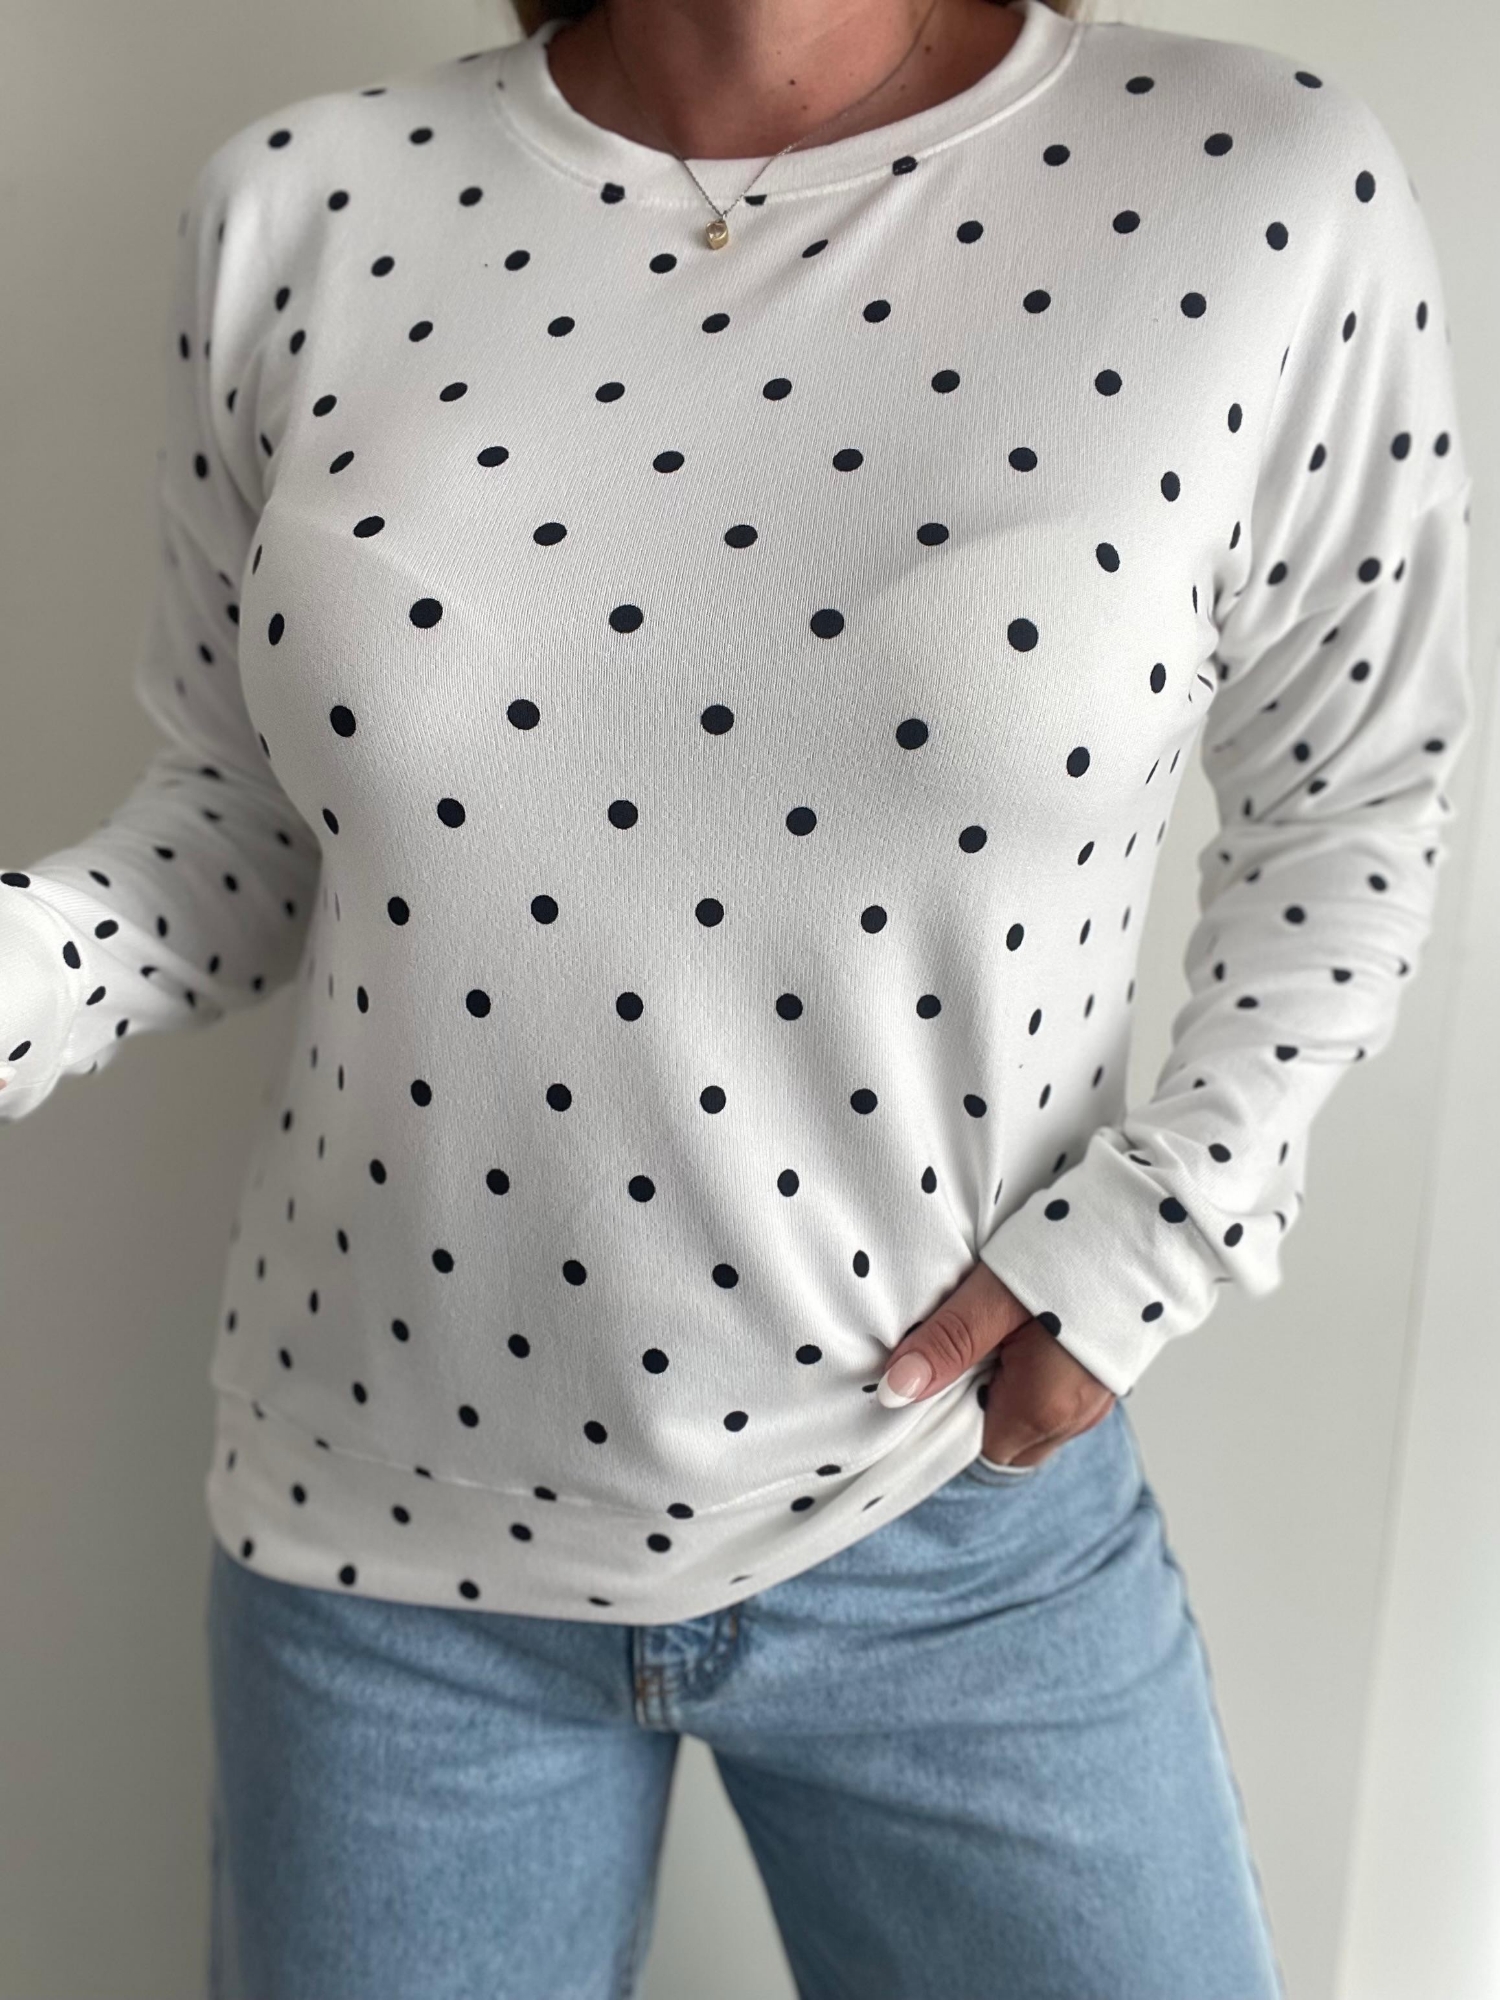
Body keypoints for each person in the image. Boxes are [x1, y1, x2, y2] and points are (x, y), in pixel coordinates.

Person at [1, 0, 1471, 1991]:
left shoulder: (1250, 177)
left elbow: (1355, 796)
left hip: (951, 1524)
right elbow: (241, 834)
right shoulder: (305, 206)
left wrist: (1153, 1236)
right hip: (384, 1559)